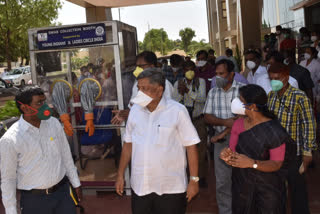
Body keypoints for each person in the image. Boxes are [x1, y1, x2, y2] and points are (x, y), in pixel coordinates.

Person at [115, 69, 200, 214]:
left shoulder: (177, 111)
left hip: (170, 187)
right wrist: (120, 175)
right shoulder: (135, 111)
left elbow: (191, 146)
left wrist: (194, 180)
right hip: (141, 186)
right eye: (138, 88)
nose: (139, 93)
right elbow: (128, 145)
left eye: (144, 89)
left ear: (159, 90)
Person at [0, 86, 82, 214]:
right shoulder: (10, 140)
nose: (45, 107)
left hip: (63, 194)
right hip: (34, 201)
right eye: (39, 103)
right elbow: (8, 179)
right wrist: (11, 210)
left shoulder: (54, 123)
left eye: (44, 101)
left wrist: (76, 183)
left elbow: (66, 155)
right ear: (25, 107)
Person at [220, 84, 296, 214]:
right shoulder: (238, 124)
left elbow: (276, 163)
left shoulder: (274, 131)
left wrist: (252, 163)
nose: (237, 102)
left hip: (267, 188)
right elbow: (233, 152)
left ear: (253, 106)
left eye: (241, 101)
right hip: (242, 186)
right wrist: (226, 156)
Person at [267, 63, 317, 214]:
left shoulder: (299, 97)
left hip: (294, 152)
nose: (274, 81)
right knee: (277, 191)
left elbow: (309, 125)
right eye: (271, 79)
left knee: (298, 192)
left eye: (277, 78)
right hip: (275, 152)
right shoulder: (271, 96)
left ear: (286, 77)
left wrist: (307, 152)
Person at [203, 59, 246, 214]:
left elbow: (246, 117)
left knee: (243, 178)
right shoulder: (213, 92)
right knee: (222, 181)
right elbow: (207, 117)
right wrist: (225, 122)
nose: (218, 77)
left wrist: (226, 128)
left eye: (222, 74)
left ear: (232, 74)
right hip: (220, 141)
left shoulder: (243, 90)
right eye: (216, 74)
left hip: (243, 141)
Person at [111, 51, 174, 125]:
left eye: (141, 66)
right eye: (137, 66)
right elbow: (134, 106)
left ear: (151, 66)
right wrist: (124, 113)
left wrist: (133, 113)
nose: (137, 69)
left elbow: (166, 111)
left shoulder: (164, 85)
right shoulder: (137, 84)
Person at [172, 60, 208, 188]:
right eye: (186, 70)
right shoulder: (178, 83)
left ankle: (201, 176)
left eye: (191, 69)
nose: (189, 72)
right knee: (182, 148)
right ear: (183, 71)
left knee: (201, 148)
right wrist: (181, 93)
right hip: (183, 121)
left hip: (198, 118)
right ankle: (186, 175)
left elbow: (202, 99)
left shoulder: (200, 82)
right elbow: (173, 101)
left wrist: (188, 91)